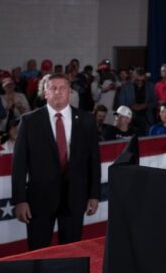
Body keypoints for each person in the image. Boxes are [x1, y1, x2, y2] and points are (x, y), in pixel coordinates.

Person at [11, 73, 101, 250]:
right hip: (39, 200)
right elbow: (19, 164)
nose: (58, 92)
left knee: (71, 252)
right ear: (45, 93)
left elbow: (94, 161)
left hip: (75, 198)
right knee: (38, 251)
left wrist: (94, 195)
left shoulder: (86, 120)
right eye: (53, 88)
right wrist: (20, 200)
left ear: (69, 92)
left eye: (63, 88)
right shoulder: (29, 121)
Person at [117, 67, 156, 133]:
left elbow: (155, 102)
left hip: (146, 119)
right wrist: (131, 106)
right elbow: (121, 103)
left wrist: (145, 105)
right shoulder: (125, 86)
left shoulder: (150, 86)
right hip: (129, 118)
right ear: (133, 76)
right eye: (137, 80)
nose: (139, 82)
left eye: (142, 80)